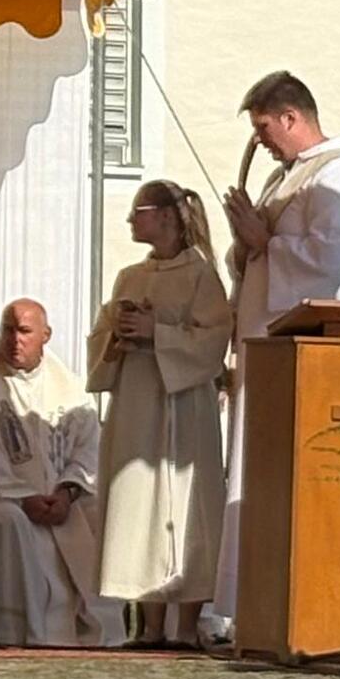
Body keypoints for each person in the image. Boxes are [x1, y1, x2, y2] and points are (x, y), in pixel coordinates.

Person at [217, 71, 340, 622]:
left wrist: (266, 242)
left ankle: (290, 605)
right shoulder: (284, 179)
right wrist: (247, 245)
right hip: (267, 348)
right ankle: (249, 604)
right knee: (252, 469)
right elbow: (259, 254)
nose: (260, 141)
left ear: (291, 117)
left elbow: (330, 261)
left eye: (264, 128)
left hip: (311, 354)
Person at [87, 181, 231, 648]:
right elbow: (101, 335)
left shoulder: (201, 275)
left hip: (183, 404)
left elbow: (214, 340)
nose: (131, 220)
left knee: (190, 506)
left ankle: (186, 627)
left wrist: (160, 333)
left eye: (139, 211)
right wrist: (118, 335)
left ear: (167, 217)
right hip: (137, 401)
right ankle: (149, 625)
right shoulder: (129, 276)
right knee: (139, 505)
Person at [0, 299, 125, 648]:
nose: (14, 339)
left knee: (104, 513)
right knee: (9, 522)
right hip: (0, 498)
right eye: (7, 330)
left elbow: (89, 447)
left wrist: (68, 491)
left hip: (63, 499)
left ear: (45, 335)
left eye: (24, 331)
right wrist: (23, 497)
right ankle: (19, 631)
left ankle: (100, 630)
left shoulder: (70, 388)